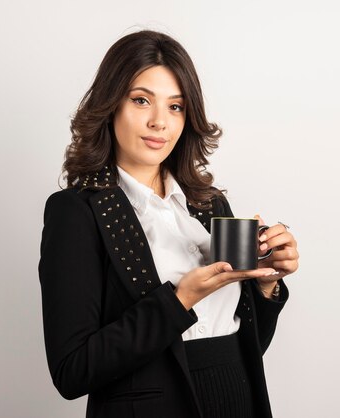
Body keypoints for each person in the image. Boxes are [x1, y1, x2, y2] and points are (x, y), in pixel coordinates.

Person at [38, 29, 299, 418]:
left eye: (176, 107)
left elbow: (245, 344)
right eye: (142, 100)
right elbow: (73, 371)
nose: (160, 121)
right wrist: (180, 301)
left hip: (238, 402)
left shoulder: (209, 204)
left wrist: (266, 284)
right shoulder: (77, 212)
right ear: (110, 106)